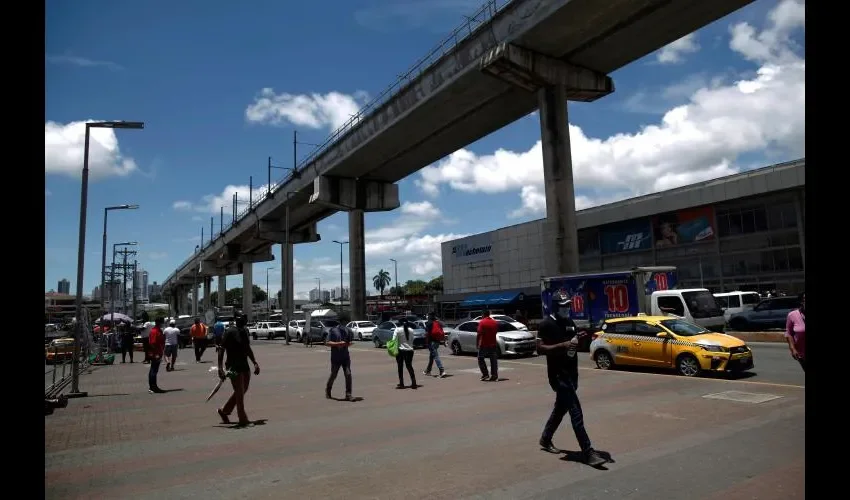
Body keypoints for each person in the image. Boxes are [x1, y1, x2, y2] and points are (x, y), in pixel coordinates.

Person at [536, 291, 605, 467]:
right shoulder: (546, 324)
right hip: (558, 376)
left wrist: (579, 340)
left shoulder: (569, 322)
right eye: (563, 306)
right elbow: (539, 348)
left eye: (568, 305)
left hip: (571, 374)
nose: (567, 309)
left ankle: (545, 438)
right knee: (576, 413)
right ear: (555, 306)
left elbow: (573, 345)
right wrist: (562, 345)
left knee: (560, 409)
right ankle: (588, 452)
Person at [217, 313, 260, 426]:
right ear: (236, 320)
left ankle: (224, 410)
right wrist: (220, 368)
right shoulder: (229, 332)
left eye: (244, 319)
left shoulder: (245, 331)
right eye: (241, 318)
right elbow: (221, 350)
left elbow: (247, 348)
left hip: (244, 364)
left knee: (242, 389)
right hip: (232, 365)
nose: (243, 321)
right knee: (239, 391)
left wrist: (254, 362)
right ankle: (242, 419)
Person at [325, 323, 353, 400]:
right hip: (336, 357)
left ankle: (348, 394)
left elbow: (350, 342)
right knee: (334, 375)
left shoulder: (347, 331)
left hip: (345, 357)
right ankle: (328, 389)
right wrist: (338, 344)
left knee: (348, 374)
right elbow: (327, 343)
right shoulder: (333, 331)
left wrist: (347, 344)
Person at [393, 320, 418, 389]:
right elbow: (412, 340)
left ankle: (401, 383)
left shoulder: (397, 330)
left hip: (400, 350)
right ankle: (414, 383)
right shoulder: (411, 330)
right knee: (409, 366)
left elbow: (393, 339)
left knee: (400, 367)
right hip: (410, 350)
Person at [785, 291, 805, 372]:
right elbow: (789, 333)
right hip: (802, 353)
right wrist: (792, 348)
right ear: (801, 302)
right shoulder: (792, 315)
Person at [476, 310, 499, 381]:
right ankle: (494, 375)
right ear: (489, 314)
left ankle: (485, 374)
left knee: (480, 358)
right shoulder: (494, 322)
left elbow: (479, 334)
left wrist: (477, 343)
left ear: (483, 314)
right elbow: (496, 332)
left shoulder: (482, 322)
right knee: (493, 360)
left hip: (484, 344)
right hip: (493, 343)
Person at [423, 312, 447, 378]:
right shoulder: (437, 322)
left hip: (431, 342)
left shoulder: (428, 323)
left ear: (429, 316)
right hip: (437, 341)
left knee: (435, 356)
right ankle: (428, 371)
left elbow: (426, 333)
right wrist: (444, 341)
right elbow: (442, 330)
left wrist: (426, 341)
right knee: (432, 356)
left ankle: (442, 371)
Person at [148, 318, 166, 394]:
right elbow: (152, 343)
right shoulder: (154, 331)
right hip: (155, 354)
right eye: (161, 322)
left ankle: (153, 387)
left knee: (154, 370)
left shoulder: (158, 330)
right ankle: (153, 387)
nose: (162, 324)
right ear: (158, 322)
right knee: (153, 370)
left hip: (158, 353)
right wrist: (156, 354)